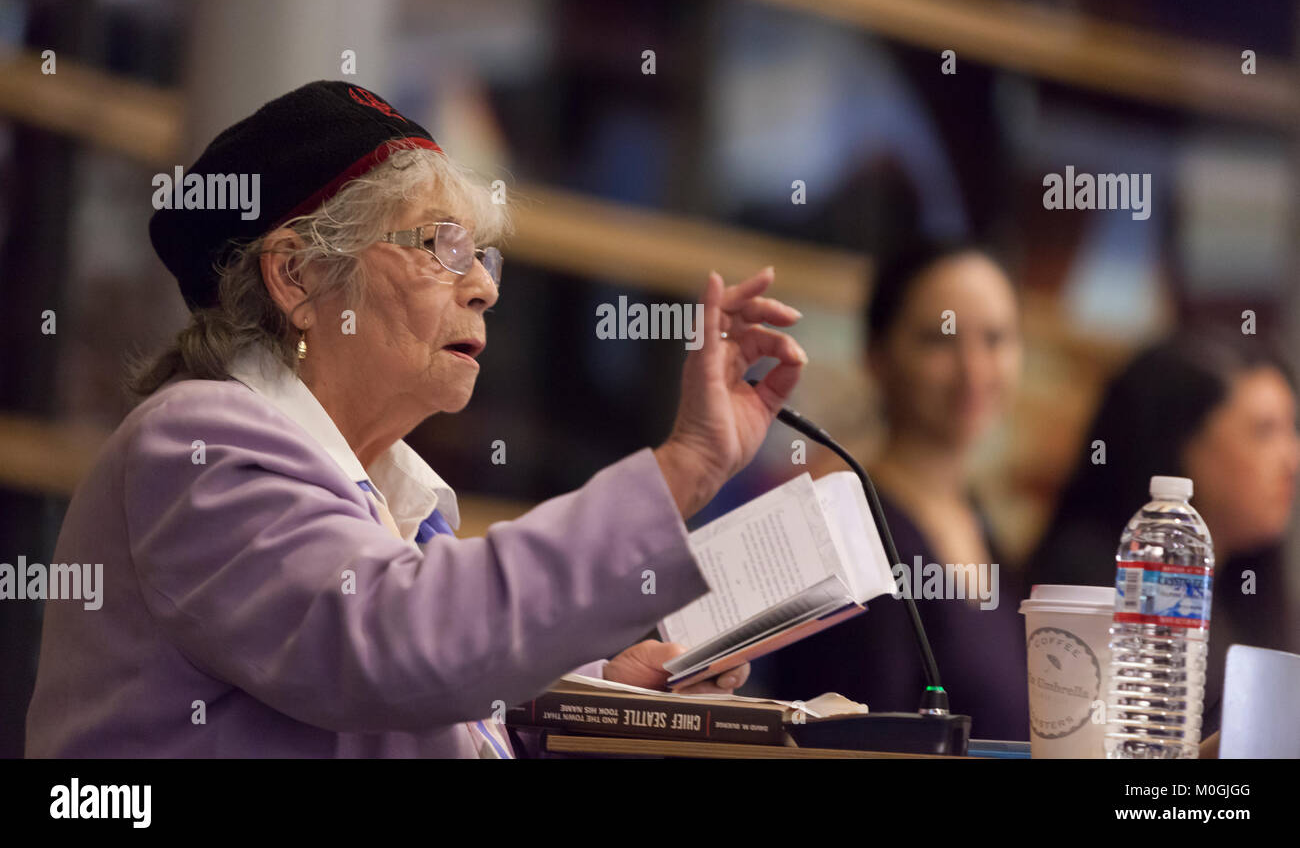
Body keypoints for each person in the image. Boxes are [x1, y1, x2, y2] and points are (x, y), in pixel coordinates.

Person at [25, 81, 809, 757]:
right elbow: (395, 646)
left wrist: (603, 696)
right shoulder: (196, 445)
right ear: (297, 276)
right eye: (442, 246)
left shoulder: (386, 491)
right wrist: (684, 466)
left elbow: (404, 699)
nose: (484, 289)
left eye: (483, 256)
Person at [751, 238, 1031, 740]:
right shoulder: (845, 524)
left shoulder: (976, 516)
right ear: (876, 356)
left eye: (995, 339)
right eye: (939, 340)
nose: (974, 370)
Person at [1024, 330, 1300, 737]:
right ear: (1180, 446)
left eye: (1291, 429)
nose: (1291, 460)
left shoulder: (1246, 588)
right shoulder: (1093, 575)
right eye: (1263, 431)